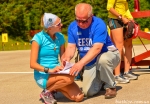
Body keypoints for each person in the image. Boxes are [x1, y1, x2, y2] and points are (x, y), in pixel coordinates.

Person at [62, 3, 120, 99]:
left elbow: (97, 49)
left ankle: (110, 86)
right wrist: (66, 59)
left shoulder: (99, 24)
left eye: (84, 21)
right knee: (88, 92)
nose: (80, 24)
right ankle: (101, 79)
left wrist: (80, 64)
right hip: (90, 61)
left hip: (109, 55)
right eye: (78, 20)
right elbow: (71, 47)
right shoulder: (72, 27)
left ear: (91, 16)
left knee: (103, 60)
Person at [30, 13, 84, 104]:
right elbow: (32, 64)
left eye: (60, 22)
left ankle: (54, 88)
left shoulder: (60, 37)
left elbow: (63, 56)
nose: (61, 25)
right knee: (69, 79)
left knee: (79, 97)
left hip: (57, 73)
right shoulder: (38, 39)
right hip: (43, 75)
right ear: (50, 27)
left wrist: (66, 63)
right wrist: (50, 70)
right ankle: (46, 92)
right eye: (58, 24)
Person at [107, 0, 138, 84]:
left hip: (125, 19)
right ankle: (117, 75)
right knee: (119, 46)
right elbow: (109, 7)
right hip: (115, 19)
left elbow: (126, 8)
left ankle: (127, 72)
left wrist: (131, 18)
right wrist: (121, 17)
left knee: (128, 45)